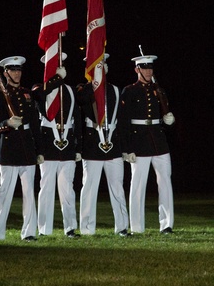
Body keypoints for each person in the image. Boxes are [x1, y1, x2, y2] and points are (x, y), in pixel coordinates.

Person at [74, 53, 129, 236]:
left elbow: (121, 121)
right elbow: (81, 101)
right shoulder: (84, 89)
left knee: (117, 188)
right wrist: (94, 81)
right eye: (96, 65)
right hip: (92, 143)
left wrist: (125, 148)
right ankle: (88, 228)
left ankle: (122, 227)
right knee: (89, 187)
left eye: (103, 64)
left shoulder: (114, 89)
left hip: (112, 142)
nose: (101, 67)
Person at [121, 51, 175, 235]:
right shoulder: (129, 91)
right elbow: (124, 122)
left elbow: (162, 110)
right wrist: (127, 148)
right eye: (145, 68)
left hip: (158, 141)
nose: (149, 71)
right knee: (138, 185)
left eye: (151, 67)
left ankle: (166, 224)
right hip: (139, 142)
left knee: (165, 182)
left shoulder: (158, 90)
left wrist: (167, 118)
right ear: (137, 69)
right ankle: (136, 226)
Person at [0, 55, 41, 242]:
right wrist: (8, 123)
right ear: (5, 73)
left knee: (29, 194)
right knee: (5, 193)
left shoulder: (27, 94)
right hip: (9, 151)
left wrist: (40, 150)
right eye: (13, 70)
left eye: (19, 70)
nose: (17, 73)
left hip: (27, 150)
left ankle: (29, 233)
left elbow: (35, 124)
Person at [32, 53, 78, 237]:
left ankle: (70, 227)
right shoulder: (41, 88)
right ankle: (44, 228)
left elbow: (78, 119)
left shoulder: (70, 90)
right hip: (48, 144)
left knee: (67, 189)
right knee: (47, 188)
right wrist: (56, 79)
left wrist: (78, 147)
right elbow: (37, 94)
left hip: (67, 144)